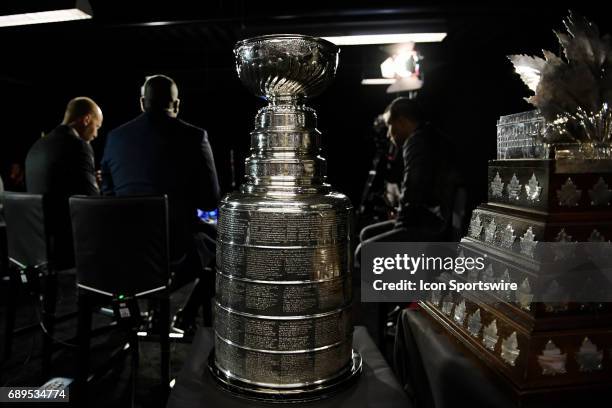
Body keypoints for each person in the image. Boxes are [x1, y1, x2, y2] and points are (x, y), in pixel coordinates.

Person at [101, 74, 220, 333]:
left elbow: (107, 197)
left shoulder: (114, 138)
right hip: (174, 248)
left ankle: (150, 306)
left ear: (143, 102)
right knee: (227, 251)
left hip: (126, 250)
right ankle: (186, 314)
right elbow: (210, 199)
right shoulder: (195, 136)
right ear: (176, 105)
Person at [355, 97, 456, 263]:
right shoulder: (429, 135)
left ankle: (398, 288)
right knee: (366, 234)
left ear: (401, 122)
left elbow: (413, 188)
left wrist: (401, 222)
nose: (388, 134)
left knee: (363, 252)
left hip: (434, 224)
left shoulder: (416, 141)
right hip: (435, 216)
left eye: (389, 126)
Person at [25, 97, 102, 268]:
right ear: (86, 119)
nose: (96, 135)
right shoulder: (79, 145)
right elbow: (92, 204)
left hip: (39, 243)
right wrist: (97, 186)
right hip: (69, 245)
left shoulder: (37, 145)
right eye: (97, 127)